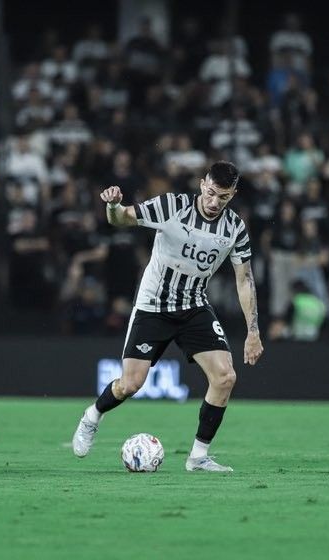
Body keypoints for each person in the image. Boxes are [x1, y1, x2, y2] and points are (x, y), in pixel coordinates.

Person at [71, 161, 264, 472]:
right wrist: (113, 205)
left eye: (224, 197)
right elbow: (121, 219)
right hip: (153, 306)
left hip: (193, 306)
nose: (215, 203)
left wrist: (253, 330)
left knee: (225, 377)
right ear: (202, 184)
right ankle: (92, 415)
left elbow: (245, 280)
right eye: (212, 193)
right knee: (131, 384)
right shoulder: (171, 206)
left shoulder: (235, 229)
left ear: (234, 194)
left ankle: (198, 457)